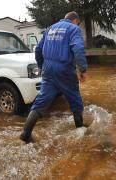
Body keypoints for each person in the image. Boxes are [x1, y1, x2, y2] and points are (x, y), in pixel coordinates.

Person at [20, 11, 88, 142]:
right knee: (75, 99)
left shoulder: (50, 29)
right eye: (77, 23)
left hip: (48, 70)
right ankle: (80, 129)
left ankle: (25, 133)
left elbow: (38, 50)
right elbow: (78, 49)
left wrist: (42, 66)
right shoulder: (74, 29)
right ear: (75, 20)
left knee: (41, 101)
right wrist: (83, 70)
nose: (77, 25)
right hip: (65, 70)